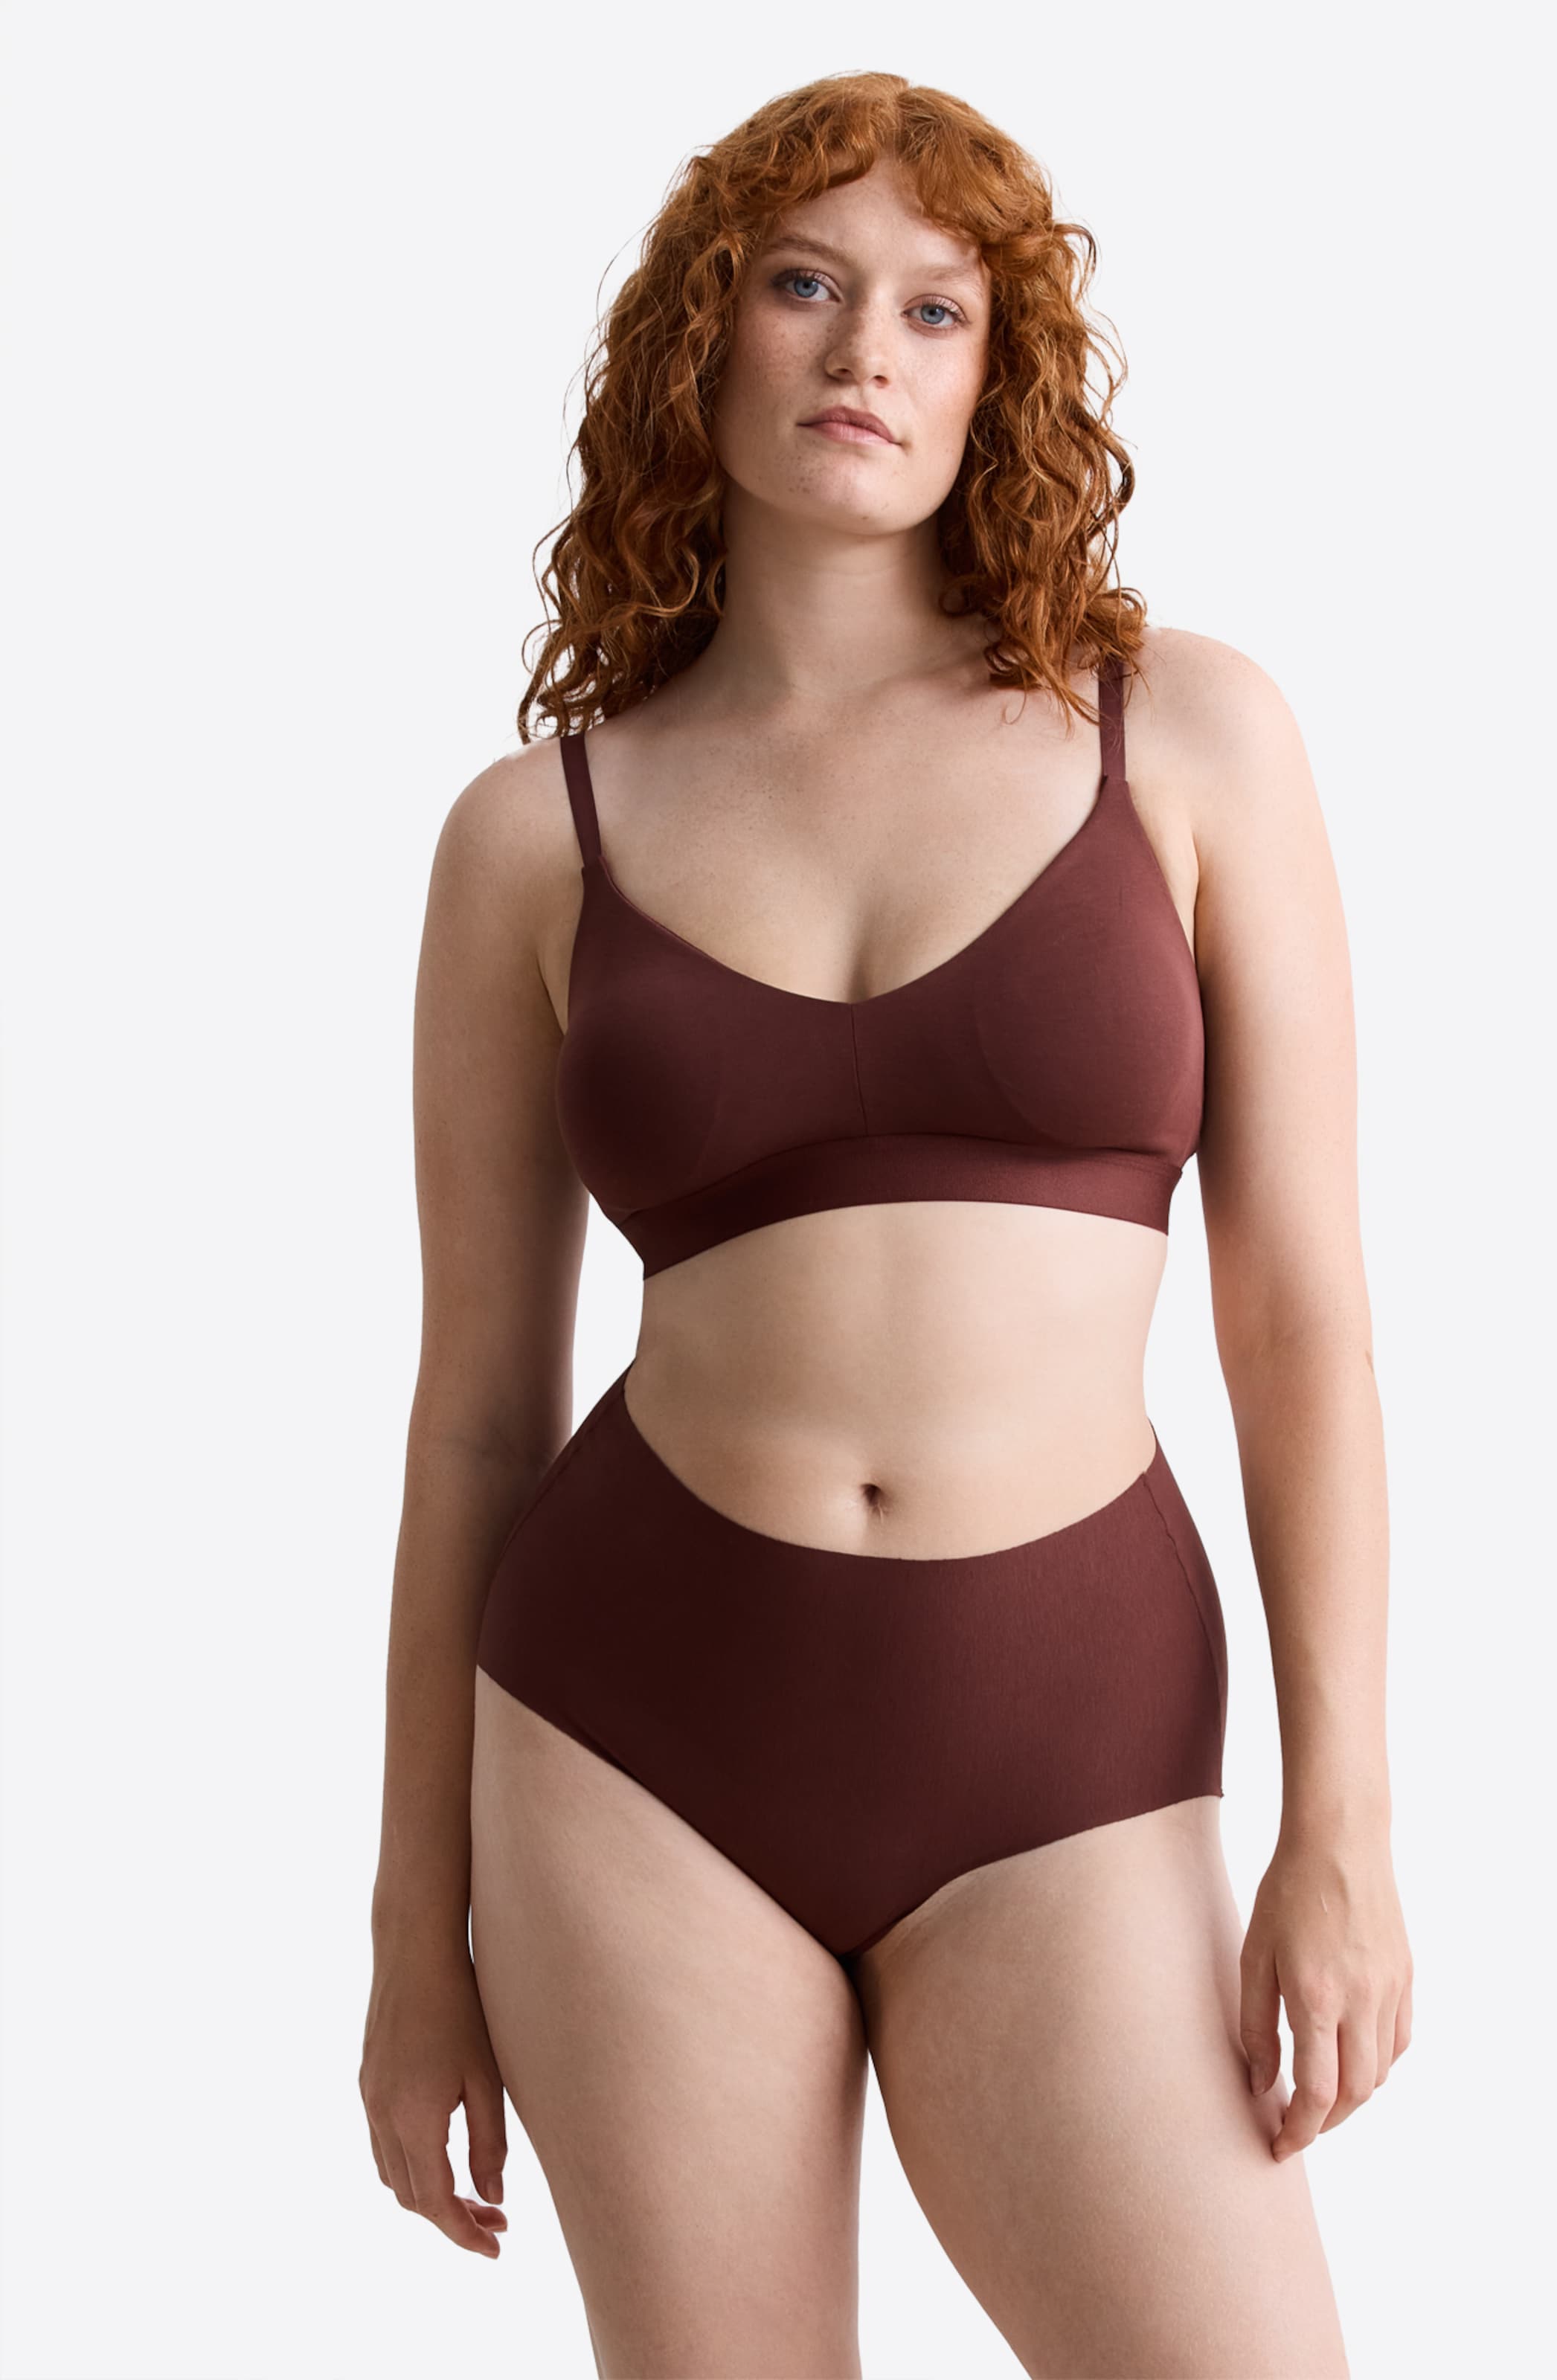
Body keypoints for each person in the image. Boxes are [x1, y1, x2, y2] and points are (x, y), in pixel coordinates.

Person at [360, 69, 1411, 2379]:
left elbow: (1304, 1322)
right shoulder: (534, 837)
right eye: (806, 285)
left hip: (1065, 1735)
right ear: (702, 339)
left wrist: (1341, 1820)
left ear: (998, 376)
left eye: (939, 309)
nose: (867, 350)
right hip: (634, 1737)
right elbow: (476, 1422)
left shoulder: (1183, 735)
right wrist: (410, 1937)